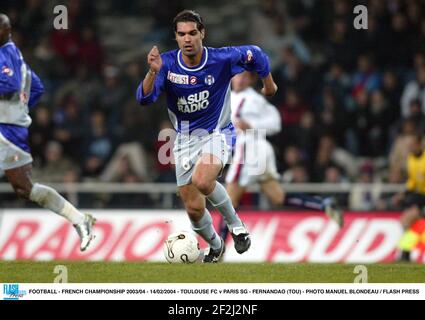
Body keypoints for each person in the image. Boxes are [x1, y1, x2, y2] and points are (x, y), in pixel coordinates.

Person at [137, 10, 278, 262]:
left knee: (203, 180)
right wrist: (152, 72)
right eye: (181, 35)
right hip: (184, 139)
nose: (187, 39)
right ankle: (215, 246)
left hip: (218, 131)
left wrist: (269, 84)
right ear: (176, 37)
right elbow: (144, 99)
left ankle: (237, 227)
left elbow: (256, 54)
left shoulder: (221, 59)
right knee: (193, 208)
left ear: (202, 33)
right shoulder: (166, 64)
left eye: (192, 33)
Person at [0, 14, 95, 251]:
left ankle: (79, 219)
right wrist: (21, 110)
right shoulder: (17, 55)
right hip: (11, 126)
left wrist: (15, 113)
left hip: (8, 131)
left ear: (6, 30)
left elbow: (10, 85)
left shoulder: (7, 54)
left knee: (24, 188)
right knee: (23, 188)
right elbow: (38, 87)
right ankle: (79, 219)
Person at [220, 72, 343, 240]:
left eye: (245, 77)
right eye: (237, 75)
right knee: (278, 197)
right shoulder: (231, 97)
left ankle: (217, 249)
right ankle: (323, 204)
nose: (240, 79)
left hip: (250, 151)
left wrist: (251, 125)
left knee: (228, 201)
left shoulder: (250, 99)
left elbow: (275, 123)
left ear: (251, 80)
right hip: (256, 152)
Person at [394, 134, 425, 262]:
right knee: (406, 221)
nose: (410, 148)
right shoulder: (411, 159)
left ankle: (405, 253)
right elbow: (413, 181)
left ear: (420, 144)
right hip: (421, 196)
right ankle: (405, 253)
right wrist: (403, 193)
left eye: (412, 145)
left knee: (410, 220)